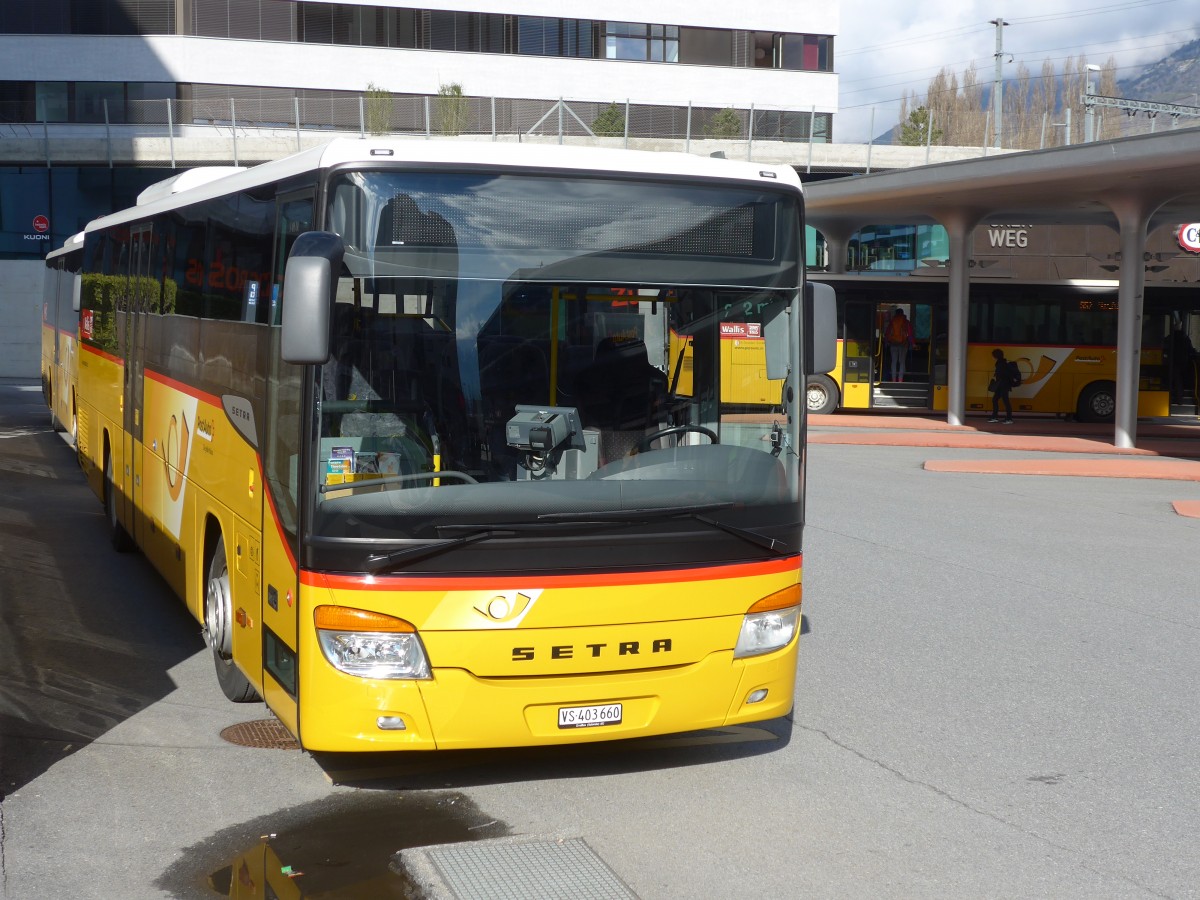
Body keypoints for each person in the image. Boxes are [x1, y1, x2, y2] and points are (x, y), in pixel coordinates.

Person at [1164, 320, 1195, 404]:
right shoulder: (1185, 338)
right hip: (1184, 362)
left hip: (1173, 362)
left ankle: (1177, 399)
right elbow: (1190, 350)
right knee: (1180, 380)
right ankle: (1180, 398)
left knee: (1175, 380)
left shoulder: (1170, 337)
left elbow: (1165, 347)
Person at [885, 307, 914, 382]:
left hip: (893, 344)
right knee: (902, 362)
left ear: (895, 314)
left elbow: (887, 333)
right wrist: (912, 344)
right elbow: (910, 334)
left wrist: (886, 342)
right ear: (903, 313)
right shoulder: (906, 322)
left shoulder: (892, 322)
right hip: (903, 344)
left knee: (894, 362)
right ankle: (900, 380)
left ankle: (893, 380)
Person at [988, 348, 1014, 424]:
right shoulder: (1002, 363)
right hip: (1001, 385)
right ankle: (995, 417)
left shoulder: (1001, 364)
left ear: (996, 356)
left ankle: (1009, 419)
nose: (992, 357)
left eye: (993, 356)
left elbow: (1002, 375)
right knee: (996, 400)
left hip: (1003, 385)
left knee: (1005, 401)